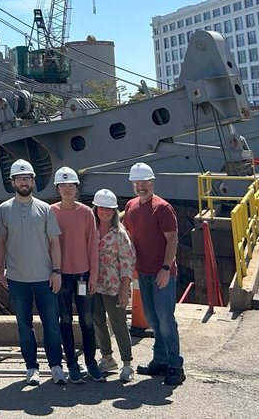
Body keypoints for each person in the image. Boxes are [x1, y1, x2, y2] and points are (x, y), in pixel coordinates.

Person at [0, 159, 65, 387]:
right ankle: (31, 367)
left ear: (33, 181)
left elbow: (55, 242)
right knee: (23, 325)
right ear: (13, 182)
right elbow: (0, 243)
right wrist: (2, 270)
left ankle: (56, 366)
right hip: (17, 278)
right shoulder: (4, 210)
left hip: (45, 277)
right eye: (20, 179)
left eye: (27, 178)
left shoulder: (45, 209)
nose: (24, 182)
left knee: (51, 324)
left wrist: (57, 271)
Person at [122, 162, 184, 386]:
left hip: (161, 273)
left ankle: (176, 366)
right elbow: (127, 236)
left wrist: (166, 269)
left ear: (152, 182)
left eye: (144, 182)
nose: (140, 186)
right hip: (143, 272)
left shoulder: (163, 208)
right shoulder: (130, 206)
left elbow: (172, 239)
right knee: (153, 319)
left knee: (166, 320)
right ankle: (160, 360)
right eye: (136, 182)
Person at [51, 166, 105, 382]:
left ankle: (91, 363)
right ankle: (72, 364)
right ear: (58, 189)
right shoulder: (51, 212)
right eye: (63, 186)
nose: (67, 189)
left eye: (71, 185)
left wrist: (94, 276)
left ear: (76, 188)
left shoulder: (85, 213)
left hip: (83, 274)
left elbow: (93, 246)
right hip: (61, 275)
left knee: (87, 320)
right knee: (65, 319)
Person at [90, 188, 136, 383]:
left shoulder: (120, 234)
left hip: (114, 286)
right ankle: (107, 358)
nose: (105, 212)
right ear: (96, 208)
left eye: (109, 209)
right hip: (94, 285)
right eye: (102, 208)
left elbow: (127, 263)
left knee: (118, 324)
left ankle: (127, 363)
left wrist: (125, 290)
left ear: (115, 211)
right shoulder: (90, 230)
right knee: (98, 322)